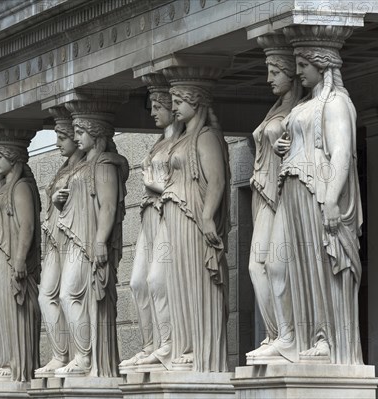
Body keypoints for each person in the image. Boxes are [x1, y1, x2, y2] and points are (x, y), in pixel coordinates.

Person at [261, 28, 364, 365]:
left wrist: (333, 199)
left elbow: (341, 154)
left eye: (303, 64)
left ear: (322, 65)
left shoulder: (335, 103)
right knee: (278, 265)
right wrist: (284, 147)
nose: (299, 71)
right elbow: (301, 141)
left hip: (316, 193)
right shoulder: (306, 104)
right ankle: (290, 336)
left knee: (320, 267)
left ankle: (325, 337)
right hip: (292, 190)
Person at [158, 80, 231, 372]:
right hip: (177, 217)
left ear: (195, 101)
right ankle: (184, 344)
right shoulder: (182, 137)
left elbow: (218, 180)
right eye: (172, 101)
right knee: (176, 282)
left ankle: (201, 349)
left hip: (193, 219)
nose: (173, 107)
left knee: (196, 280)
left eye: (178, 101)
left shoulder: (206, 137)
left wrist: (208, 216)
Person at [54, 115, 129, 377]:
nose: (75, 137)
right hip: (76, 238)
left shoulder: (105, 164)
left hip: (90, 241)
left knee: (70, 294)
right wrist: (58, 200)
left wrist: (100, 241)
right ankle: (82, 356)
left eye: (79, 132)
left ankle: (85, 358)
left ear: (95, 133)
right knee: (71, 296)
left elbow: (108, 206)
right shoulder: (84, 165)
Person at [246, 37, 303, 359]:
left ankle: (290, 335)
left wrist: (292, 147)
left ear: (290, 72)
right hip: (262, 190)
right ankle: (274, 334)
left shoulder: (299, 110)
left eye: (274, 71)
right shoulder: (277, 108)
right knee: (257, 266)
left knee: (279, 265)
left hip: (284, 191)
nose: (268, 78)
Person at [120, 83, 182, 371]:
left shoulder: (181, 144)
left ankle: (167, 344)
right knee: (137, 282)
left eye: (159, 107)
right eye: (152, 107)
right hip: (149, 216)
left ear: (173, 108)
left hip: (167, 215)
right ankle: (149, 346)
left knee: (159, 280)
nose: (153, 113)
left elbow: (183, 188)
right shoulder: (159, 143)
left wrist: (152, 184)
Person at [0, 130, 42, 381]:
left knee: (13, 310)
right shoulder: (2, 187)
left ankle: (17, 365)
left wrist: (19, 259)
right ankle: (3, 360)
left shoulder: (20, 187)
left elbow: (27, 225)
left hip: (10, 258)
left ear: (12, 156)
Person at [36, 116, 85, 376]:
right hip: (54, 239)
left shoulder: (84, 167)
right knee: (46, 296)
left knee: (69, 295)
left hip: (72, 238)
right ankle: (60, 354)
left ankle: (81, 355)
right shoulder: (63, 169)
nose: (57, 143)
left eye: (62, 137)